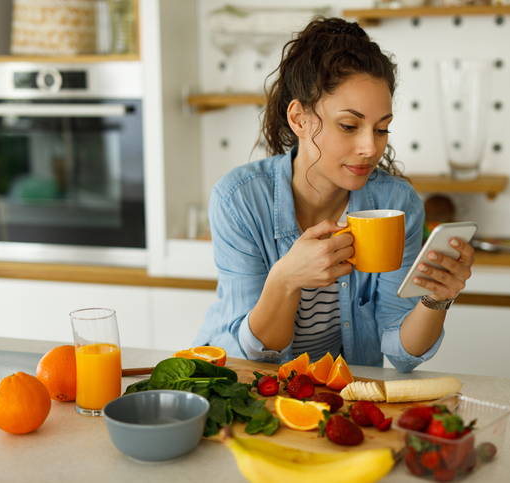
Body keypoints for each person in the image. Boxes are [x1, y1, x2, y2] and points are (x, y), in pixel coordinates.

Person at [194, 17, 474, 373]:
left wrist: (437, 299)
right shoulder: (239, 200)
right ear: (299, 118)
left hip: (339, 396)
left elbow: (401, 353)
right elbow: (253, 358)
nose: (370, 147)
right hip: (238, 383)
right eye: (349, 126)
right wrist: (285, 279)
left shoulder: (397, 206)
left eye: (382, 128)